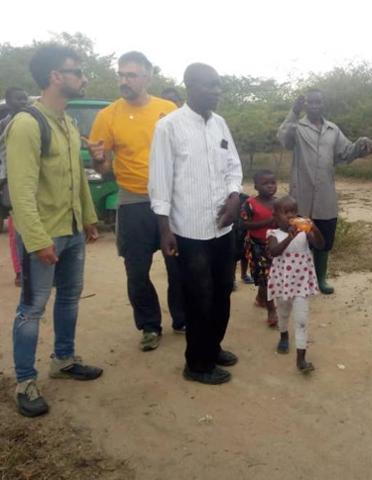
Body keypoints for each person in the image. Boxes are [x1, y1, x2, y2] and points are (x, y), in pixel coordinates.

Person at [6, 44, 102, 417]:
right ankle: (25, 381)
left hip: (72, 229)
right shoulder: (28, 124)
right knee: (32, 308)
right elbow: (21, 191)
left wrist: (88, 218)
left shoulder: (67, 122)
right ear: (55, 76)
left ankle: (63, 359)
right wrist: (37, 240)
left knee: (69, 297)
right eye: (77, 71)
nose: (84, 78)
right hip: (44, 234)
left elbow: (78, 177)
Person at [149, 62, 243, 385]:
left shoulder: (220, 124)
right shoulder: (169, 127)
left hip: (223, 227)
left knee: (222, 291)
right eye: (209, 85)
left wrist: (235, 197)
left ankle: (212, 348)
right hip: (189, 230)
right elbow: (160, 181)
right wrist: (164, 229)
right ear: (189, 86)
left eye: (218, 85)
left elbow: (233, 166)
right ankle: (197, 364)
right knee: (199, 296)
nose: (216, 91)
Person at [89, 51, 186, 351]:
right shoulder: (108, 116)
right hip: (133, 200)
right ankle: (149, 325)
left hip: (171, 200)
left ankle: (182, 318)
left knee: (178, 264)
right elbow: (103, 169)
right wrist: (99, 160)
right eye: (121, 75)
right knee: (136, 270)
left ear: (147, 76)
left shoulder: (168, 109)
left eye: (131, 75)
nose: (124, 80)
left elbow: (184, 152)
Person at [277, 89, 372, 294]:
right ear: (306, 105)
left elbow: (346, 152)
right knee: (299, 239)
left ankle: (320, 279)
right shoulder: (297, 127)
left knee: (325, 239)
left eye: (318, 102)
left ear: (323, 104)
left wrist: (361, 145)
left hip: (325, 196)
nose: (315, 106)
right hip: (301, 195)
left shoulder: (333, 129)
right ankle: (301, 279)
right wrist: (293, 112)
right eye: (311, 102)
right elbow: (284, 139)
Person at [267, 196, 324, 373]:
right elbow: (274, 252)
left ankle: (301, 360)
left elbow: (320, 245)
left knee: (301, 320)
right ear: (275, 216)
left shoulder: (303, 233)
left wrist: (314, 228)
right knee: (283, 313)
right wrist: (290, 237)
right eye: (286, 212)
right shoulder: (273, 234)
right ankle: (284, 335)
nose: (291, 215)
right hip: (283, 283)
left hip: (301, 284)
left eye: (293, 211)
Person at [239, 170, 278, 327]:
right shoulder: (249, 204)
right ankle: (271, 310)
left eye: (273, 183)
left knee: (269, 277)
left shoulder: (279, 203)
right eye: (265, 183)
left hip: (276, 246)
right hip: (257, 247)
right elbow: (244, 224)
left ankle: (261, 298)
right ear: (256, 186)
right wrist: (267, 222)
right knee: (266, 278)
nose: (270, 186)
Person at [0, 87, 29, 287]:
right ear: (9, 102)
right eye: (19, 99)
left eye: (25, 99)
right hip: (11, 180)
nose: (24, 102)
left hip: (32, 180)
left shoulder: (33, 121)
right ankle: (20, 271)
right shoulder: (4, 125)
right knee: (16, 227)